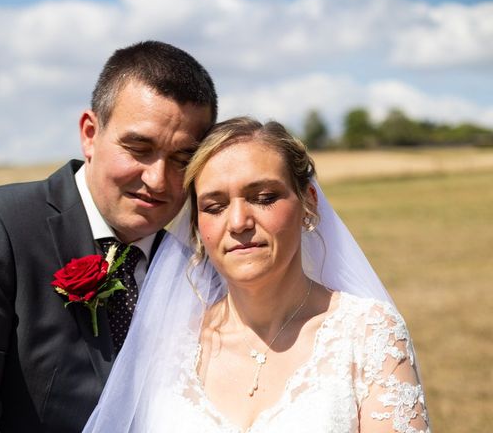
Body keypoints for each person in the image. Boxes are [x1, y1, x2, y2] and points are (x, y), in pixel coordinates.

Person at [0, 40, 217, 432]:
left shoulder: (199, 264)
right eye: (139, 148)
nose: (157, 180)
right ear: (90, 134)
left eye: (181, 159)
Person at [84, 117, 431, 432]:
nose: (238, 223)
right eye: (215, 207)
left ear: (308, 202)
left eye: (264, 197)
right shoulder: (169, 344)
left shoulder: (368, 334)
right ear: (197, 225)